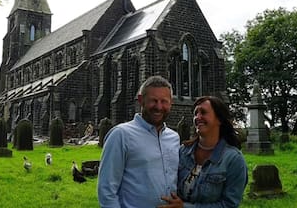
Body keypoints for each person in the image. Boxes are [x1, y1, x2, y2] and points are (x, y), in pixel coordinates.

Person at [97, 75, 180, 208]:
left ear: (171, 103)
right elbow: (106, 189)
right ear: (141, 100)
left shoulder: (174, 138)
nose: (159, 107)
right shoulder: (121, 135)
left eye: (164, 101)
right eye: (154, 100)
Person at [159, 96, 248, 208]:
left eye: (203, 112)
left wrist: (185, 207)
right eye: (196, 113)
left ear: (219, 119)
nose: (198, 117)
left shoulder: (234, 160)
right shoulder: (183, 152)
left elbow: (229, 205)